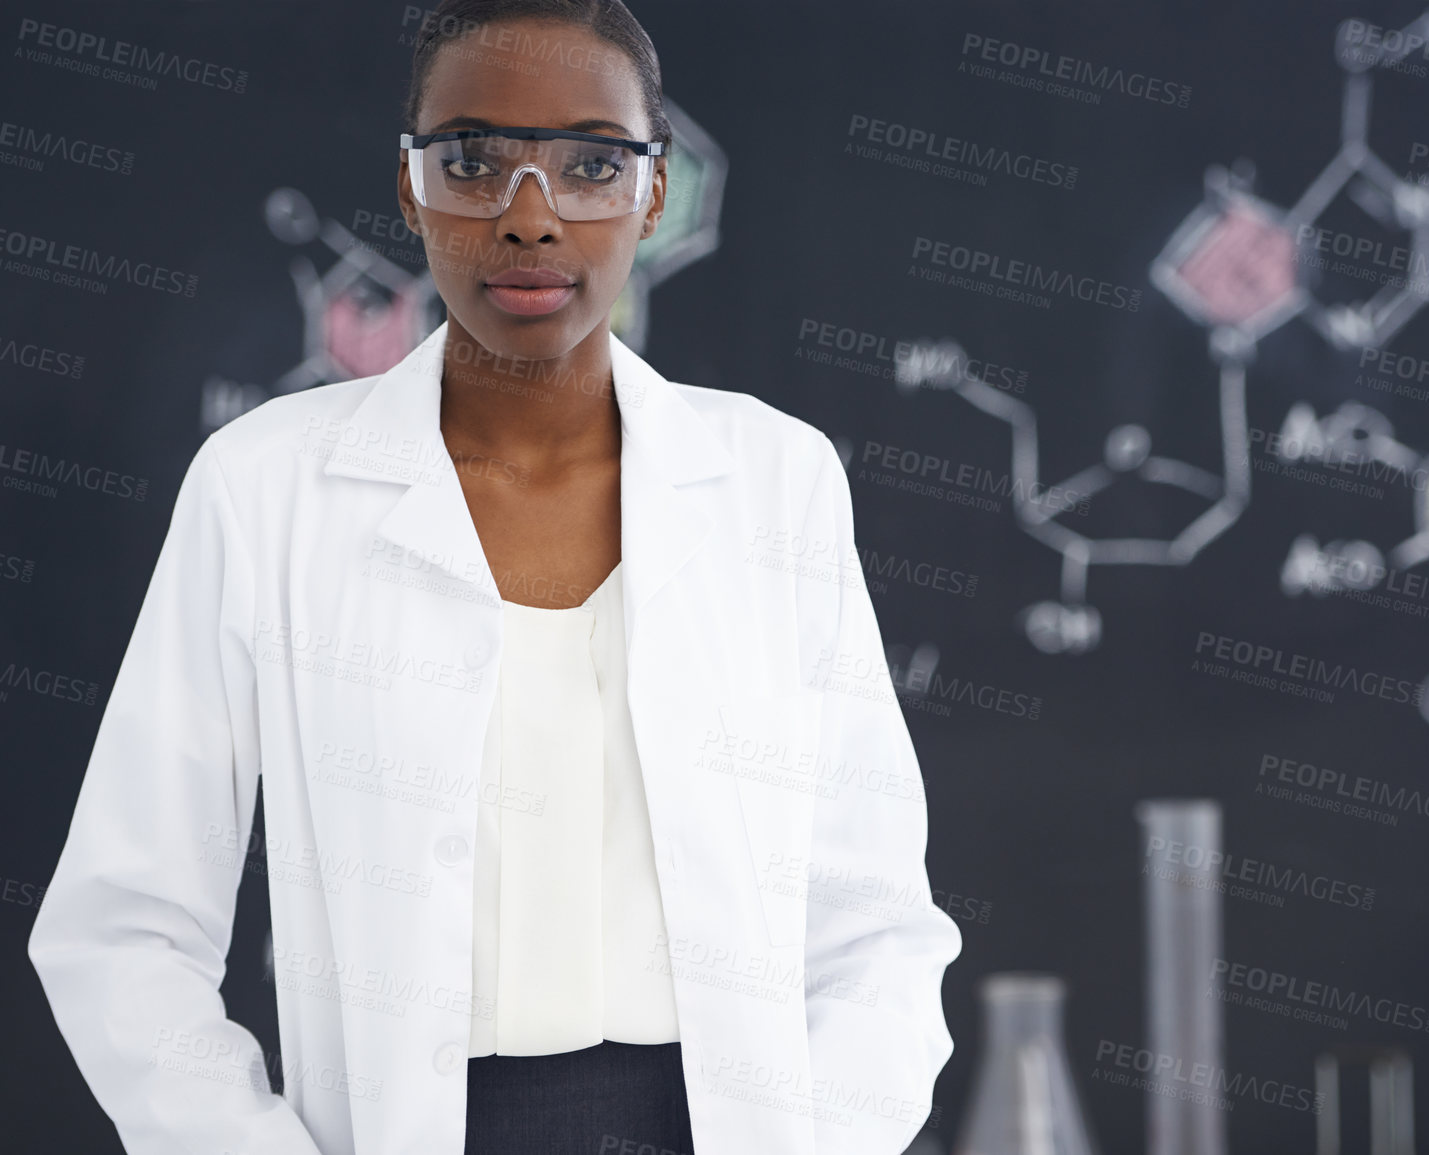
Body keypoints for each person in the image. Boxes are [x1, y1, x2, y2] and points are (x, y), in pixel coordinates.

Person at [27, 1, 963, 1152]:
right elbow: (123, 930)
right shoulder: (266, 489)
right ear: (413, 185)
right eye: (473, 161)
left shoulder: (775, 482)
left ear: (654, 193)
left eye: (589, 164)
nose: (530, 218)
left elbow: (876, 927)